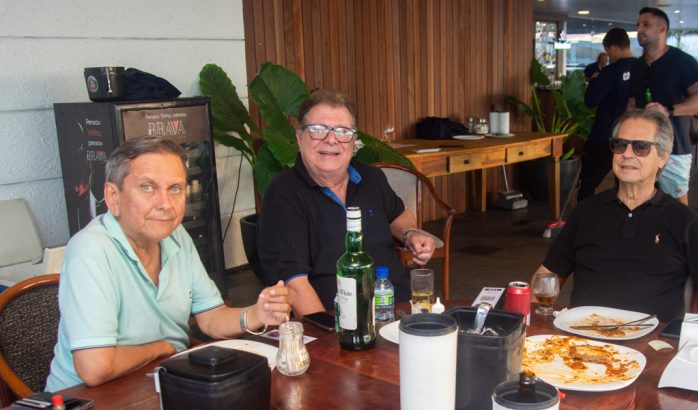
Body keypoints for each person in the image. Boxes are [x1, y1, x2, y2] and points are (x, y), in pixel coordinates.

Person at [46, 137, 292, 391]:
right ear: (113, 197)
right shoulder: (90, 250)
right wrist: (160, 348)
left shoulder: (175, 235)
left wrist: (256, 314)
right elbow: (95, 368)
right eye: (148, 187)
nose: (165, 204)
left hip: (156, 383)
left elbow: (210, 318)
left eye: (175, 188)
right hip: (82, 405)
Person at [535, 109, 698, 321]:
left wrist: (697, 329)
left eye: (641, 147)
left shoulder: (682, 220)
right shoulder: (586, 212)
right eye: (620, 144)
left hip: (653, 345)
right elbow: (546, 275)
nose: (627, 154)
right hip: (582, 341)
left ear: (663, 157)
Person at [258, 90, 434, 315]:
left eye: (343, 131)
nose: (331, 140)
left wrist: (411, 234)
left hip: (397, 311)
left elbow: (398, 214)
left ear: (353, 140)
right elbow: (294, 285)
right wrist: (329, 337)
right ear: (299, 137)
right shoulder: (283, 195)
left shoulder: (371, 178)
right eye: (318, 130)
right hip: (338, 326)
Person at [628, 6, 698, 205]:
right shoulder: (637, 66)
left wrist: (670, 110)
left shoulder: (682, 62)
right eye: (638, 25)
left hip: (673, 148)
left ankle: (681, 237)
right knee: (637, 201)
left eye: (646, 25)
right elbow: (631, 103)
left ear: (662, 29)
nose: (640, 29)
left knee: (677, 204)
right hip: (639, 147)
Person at [578, 28, 637, 200]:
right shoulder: (643, 69)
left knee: (588, 181)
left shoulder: (611, 72)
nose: (608, 55)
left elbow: (590, 101)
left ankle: (584, 219)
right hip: (633, 137)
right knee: (627, 182)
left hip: (605, 134)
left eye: (607, 50)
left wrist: (595, 80)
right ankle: (625, 220)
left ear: (612, 48)